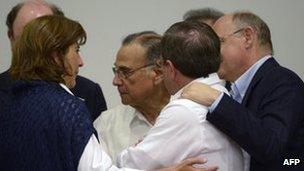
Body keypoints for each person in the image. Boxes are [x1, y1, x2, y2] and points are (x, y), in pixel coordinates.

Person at [0, 15, 211, 171]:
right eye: (76, 51)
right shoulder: (65, 107)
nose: (80, 62)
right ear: (56, 56)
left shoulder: (11, 104)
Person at [181, 11, 304, 171]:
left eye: (218, 43)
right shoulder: (227, 88)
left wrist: (218, 101)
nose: (211, 53)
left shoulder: (283, 82)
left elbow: (273, 148)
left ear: (247, 37)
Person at [117, 21, 243, 171]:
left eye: (161, 65)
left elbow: (128, 164)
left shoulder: (183, 110)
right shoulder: (224, 96)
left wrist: (139, 146)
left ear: (170, 68)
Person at [0, 0, 107, 121]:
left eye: (46, 37)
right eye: (28, 37)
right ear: (11, 38)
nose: (37, 46)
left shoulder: (88, 92)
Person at [94, 31, 170, 163]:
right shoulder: (106, 125)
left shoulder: (189, 116)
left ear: (158, 73)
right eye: (116, 71)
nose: (115, 81)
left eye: (125, 72)